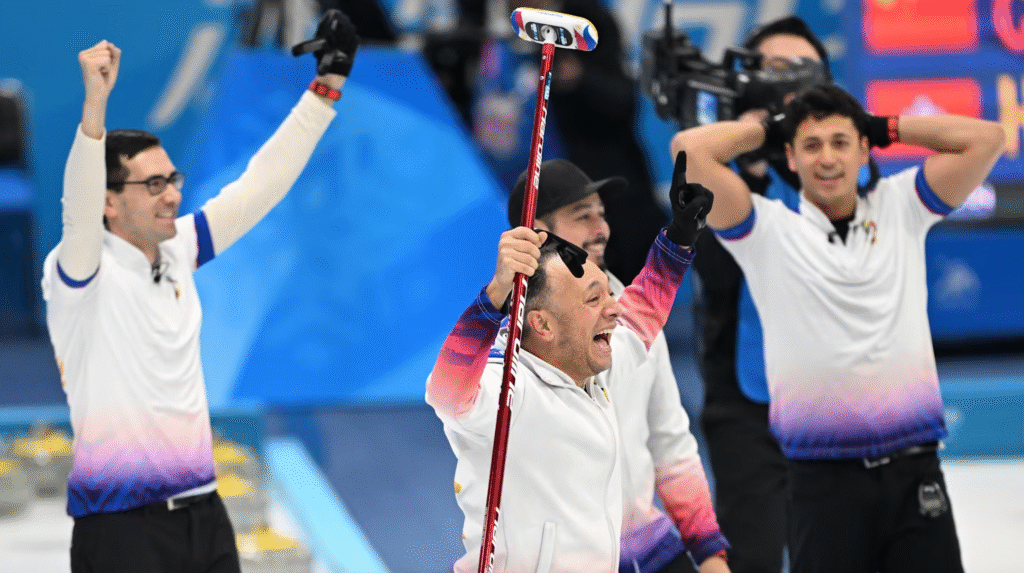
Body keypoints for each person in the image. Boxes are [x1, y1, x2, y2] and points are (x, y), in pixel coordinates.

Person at [40, 10, 358, 572]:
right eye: (153, 184)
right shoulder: (80, 275)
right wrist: (94, 108)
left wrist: (324, 90)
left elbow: (262, 185)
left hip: (204, 516)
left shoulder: (180, 248)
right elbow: (76, 207)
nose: (171, 196)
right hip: (119, 530)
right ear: (109, 202)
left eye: (173, 180)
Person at [671, 83, 1004, 573]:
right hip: (822, 486)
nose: (827, 158)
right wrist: (768, 129)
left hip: (915, 476)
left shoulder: (903, 206)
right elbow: (688, 149)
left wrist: (885, 125)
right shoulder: (765, 230)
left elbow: (988, 138)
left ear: (865, 149)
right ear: (790, 155)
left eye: (841, 142)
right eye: (810, 145)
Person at [426, 153, 713, 572]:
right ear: (542, 324)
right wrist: (493, 296)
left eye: (610, 295)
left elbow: (644, 308)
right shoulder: (511, 385)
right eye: (595, 300)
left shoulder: (592, 355)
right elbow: (447, 391)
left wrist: (680, 236)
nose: (615, 310)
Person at [500, 160, 729, 573]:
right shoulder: (513, 339)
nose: (600, 228)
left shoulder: (633, 315)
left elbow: (670, 443)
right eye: (581, 216)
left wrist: (709, 553)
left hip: (647, 549)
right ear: (536, 232)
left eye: (601, 213)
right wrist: (676, 242)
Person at [689, 16, 846, 573]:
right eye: (772, 71)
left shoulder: (854, 172)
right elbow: (709, 266)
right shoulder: (717, 167)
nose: (785, 88)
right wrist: (748, 156)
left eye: (801, 74)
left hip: (842, 402)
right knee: (751, 554)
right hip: (747, 401)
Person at [473, 0, 665, 283]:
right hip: (523, 203)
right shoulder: (496, 45)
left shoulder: (585, 23)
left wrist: (577, 77)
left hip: (608, 201)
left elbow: (622, 103)